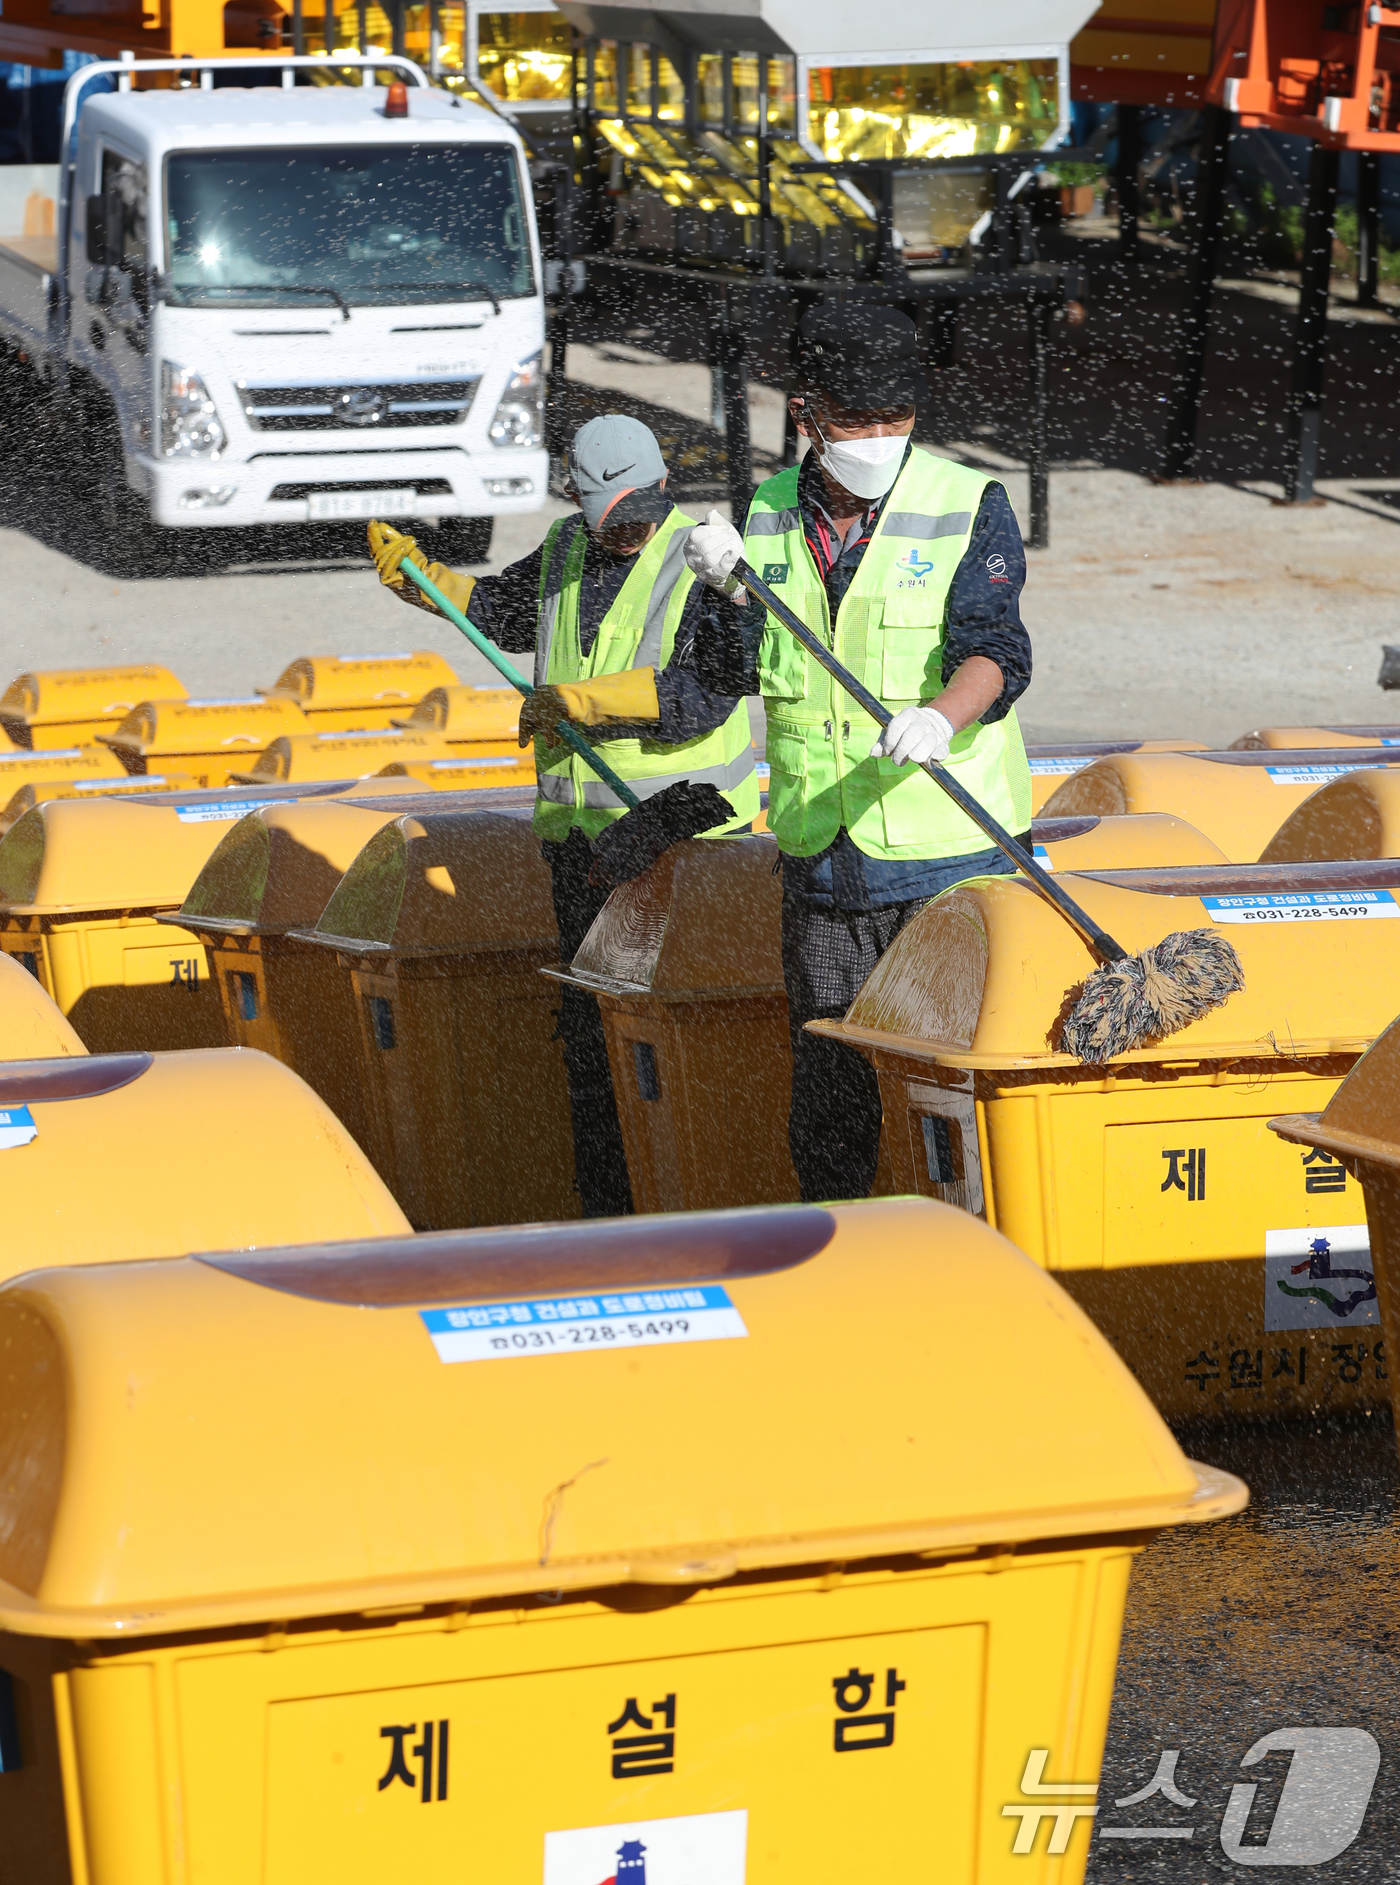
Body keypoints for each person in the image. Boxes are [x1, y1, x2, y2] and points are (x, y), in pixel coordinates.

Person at [679, 302, 1033, 1203]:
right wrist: (719, 593)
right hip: (822, 862)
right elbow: (720, 675)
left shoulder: (967, 502)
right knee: (832, 1093)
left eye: (897, 420)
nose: (878, 440)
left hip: (945, 861)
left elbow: (998, 651)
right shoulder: (761, 517)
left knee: (946, 1096)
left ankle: (962, 1266)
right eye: (855, 421)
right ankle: (850, 1256)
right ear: (807, 414)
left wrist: (943, 718)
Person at [369, 413, 758, 1218]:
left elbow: (699, 697)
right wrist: (426, 580)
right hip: (583, 851)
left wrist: (577, 700)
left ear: (663, 486)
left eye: (643, 513)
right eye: (613, 522)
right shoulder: (565, 550)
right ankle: (610, 1213)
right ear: (583, 507)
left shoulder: (707, 564)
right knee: (595, 1051)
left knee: (667, 1053)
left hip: (680, 849)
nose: (631, 534)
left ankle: (681, 1209)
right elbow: (504, 612)